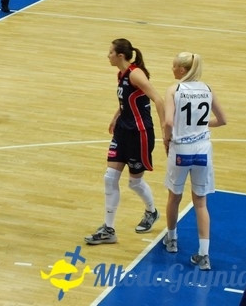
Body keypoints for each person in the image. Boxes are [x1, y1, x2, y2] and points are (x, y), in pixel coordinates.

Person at [84, 38, 165, 245]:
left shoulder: (136, 74)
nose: (107, 55)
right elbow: (126, 101)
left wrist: (165, 128)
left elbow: (158, 99)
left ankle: (151, 211)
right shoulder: (121, 74)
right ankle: (108, 229)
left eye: (110, 52)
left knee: (134, 182)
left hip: (139, 134)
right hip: (122, 132)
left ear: (120, 55)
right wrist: (115, 117)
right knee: (110, 178)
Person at [162, 52, 227, 271]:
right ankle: (204, 255)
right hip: (203, 151)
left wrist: (166, 139)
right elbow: (223, 120)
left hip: (181, 150)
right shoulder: (207, 89)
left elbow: (169, 121)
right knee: (200, 202)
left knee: (174, 196)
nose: (172, 70)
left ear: (182, 70)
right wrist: (201, 127)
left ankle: (171, 240)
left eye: (173, 67)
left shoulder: (174, 90)